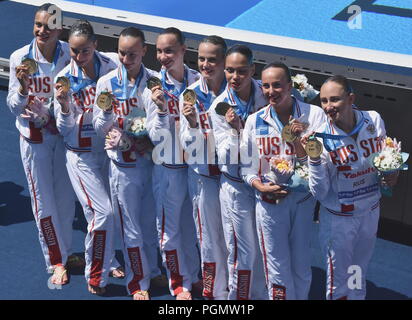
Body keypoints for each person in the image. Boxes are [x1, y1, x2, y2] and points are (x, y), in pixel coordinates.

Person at [306, 75, 398, 300]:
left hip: (370, 212)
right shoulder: (319, 138)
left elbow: (383, 161)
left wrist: (391, 173)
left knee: (358, 271)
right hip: (339, 220)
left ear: (351, 99)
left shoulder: (373, 120)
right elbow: (319, 192)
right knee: (338, 281)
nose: (328, 107)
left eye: (334, 100)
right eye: (324, 101)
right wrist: (315, 160)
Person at [240, 62, 326, 300]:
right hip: (269, 202)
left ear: (290, 85)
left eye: (277, 85)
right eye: (266, 86)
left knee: (301, 263)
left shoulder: (313, 115)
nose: (271, 91)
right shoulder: (254, 121)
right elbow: (246, 167)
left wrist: (298, 140)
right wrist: (257, 185)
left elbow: (318, 162)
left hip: (302, 201)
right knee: (275, 265)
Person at [53, 19, 126, 295]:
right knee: (102, 213)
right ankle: (95, 273)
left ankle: (109, 259)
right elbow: (64, 129)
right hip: (81, 157)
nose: (79, 57)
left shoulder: (111, 66)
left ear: (95, 45)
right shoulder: (64, 80)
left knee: (107, 213)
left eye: (84, 50)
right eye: (74, 51)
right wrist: (62, 106)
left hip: (108, 153)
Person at [6, 3, 77, 285]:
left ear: (60, 28)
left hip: (62, 137)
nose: (41, 30)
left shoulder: (70, 58)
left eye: (48, 26)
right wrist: (23, 88)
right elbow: (12, 106)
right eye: (38, 24)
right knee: (42, 202)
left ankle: (68, 250)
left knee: (65, 199)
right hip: (34, 141)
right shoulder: (19, 57)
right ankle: (55, 260)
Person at [92, 27, 163, 300]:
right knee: (131, 228)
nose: (125, 58)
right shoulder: (107, 83)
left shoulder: (155, 82)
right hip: (122, 167)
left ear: (144, 51)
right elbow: (100, 128)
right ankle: (137, 283)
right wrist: (108, 113)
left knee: (149, 224)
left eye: (132, 54)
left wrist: (149, 141)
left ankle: (153, 269)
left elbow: (162, 126)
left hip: (150, 164)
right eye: (122, 53)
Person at [209, 44, 267, 300]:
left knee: (266, 250)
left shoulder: (266, 96)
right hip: (236, 188)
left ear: (252, 70)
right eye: (230, 70)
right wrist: (236, 130)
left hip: (264, 186)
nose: (234, 77)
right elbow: (224, 155)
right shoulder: (220, 108)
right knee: (242, 252)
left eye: (241, 71)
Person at [149, 27, 201, 300]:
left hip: (193, 171)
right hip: (168, 170)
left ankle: (193, 276)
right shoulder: (154, 86)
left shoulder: (198, 83)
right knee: (169, 231)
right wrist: (160, 109)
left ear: (183, 50)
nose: (163, 57)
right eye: (159, 51)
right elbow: (155, 137)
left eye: (169, 50)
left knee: (191, 229)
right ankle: (178, 282)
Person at [179, 35, 228, 299]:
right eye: (201, 59)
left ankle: (236, 292)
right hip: (204, 179)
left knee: (238, 241)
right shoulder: (189, 96)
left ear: (224, 61)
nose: (205, 65)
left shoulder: (240, 91)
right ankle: (214, 294)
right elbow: (188, 145)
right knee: (209, 240)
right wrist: (194, 125)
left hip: (235, 182)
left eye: (212, 59)